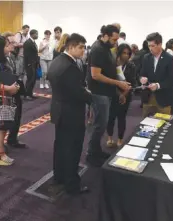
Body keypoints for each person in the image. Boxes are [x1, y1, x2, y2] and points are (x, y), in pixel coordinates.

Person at [48, 33, 92, 195]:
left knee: (60, 145)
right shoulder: (70, 66)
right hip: (71, 112)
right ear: (71, 47)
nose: (83, 51)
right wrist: (90, 97)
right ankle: (72, 184)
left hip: (59, 109)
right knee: (72, 148)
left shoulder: (57, 61)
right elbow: (78, 92)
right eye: (81, 47)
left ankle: (59, 176)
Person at [86, 25, 131, 167]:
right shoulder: (98, 49)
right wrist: (118, 82)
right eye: (113, 39)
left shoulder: (106, 48)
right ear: (105, 35)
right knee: (100, 125)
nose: (115, 42)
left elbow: (112, 67)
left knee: (102, 123)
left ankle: (96, 150)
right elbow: (96, 75)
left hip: (106, 92)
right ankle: (91, 153)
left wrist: (120, 81)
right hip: (99, 93)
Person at [0, 36, 20, 166]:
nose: (10, 47)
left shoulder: (5, 60)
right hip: (0, 99)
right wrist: (9, 88)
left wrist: (15, 87)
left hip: (7, 97)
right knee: (1, 127)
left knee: (4, 126)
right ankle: (0, 155)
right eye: (7, 45)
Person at [140, 32, 173, 117]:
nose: (150, 48)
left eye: (152, 46)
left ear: (160, 44)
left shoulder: (170, 59)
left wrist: (158, 85)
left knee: (163, 124)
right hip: (148, 97)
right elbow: (142, 73)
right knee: (145, 124)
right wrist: (142, 79)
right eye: (149, 46)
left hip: (163, 98)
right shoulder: (146, 57)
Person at [106, 44, 137, 147]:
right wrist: (119, 94)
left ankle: (120, 139)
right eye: (124, 53)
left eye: (128, 53)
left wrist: (124, 94)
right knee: (110, 117)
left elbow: (132, 82)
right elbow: (109, 81)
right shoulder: (112, 64)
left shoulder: (131, 65)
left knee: (122, 117)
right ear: (119, 53)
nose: (126, 55)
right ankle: (109, 138)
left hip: (126, 95)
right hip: (112, 94)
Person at [2, 32, 27, 149]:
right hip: (6, 92)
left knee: (17, 116)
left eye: (14, 42)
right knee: (5, 119)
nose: (14, 44)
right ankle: (0, 145)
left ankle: (12, 139)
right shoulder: (0, 59)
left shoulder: (11, 56)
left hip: (15, 89)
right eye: (11, 42)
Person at [23, 29, 39, 100]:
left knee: (33, 79)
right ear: (32, 34)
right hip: (29, 64)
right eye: (36, 34)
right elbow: (26, 55)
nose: (37, 35)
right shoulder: (27, 43)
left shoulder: (33, 42)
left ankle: (30, 93)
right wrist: (29, 64)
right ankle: (26, 95)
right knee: (30, 80)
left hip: (34, 64)